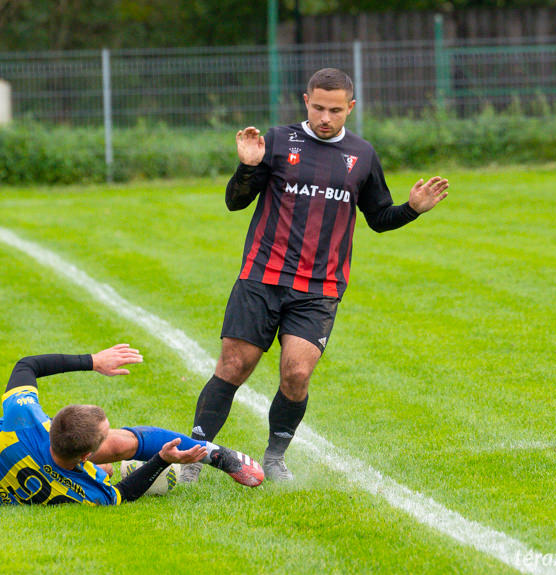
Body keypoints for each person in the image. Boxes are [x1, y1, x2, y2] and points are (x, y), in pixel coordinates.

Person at [181, 68, 449, 483]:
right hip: (262, 276)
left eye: (336, 110)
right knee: (235, 365)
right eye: (319, 107)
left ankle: (274, 457)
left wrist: (411, 209)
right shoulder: (277, 140)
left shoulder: (362, 156)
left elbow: (378, 218)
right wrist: (247, 167)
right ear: (306, 101)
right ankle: (194, 457)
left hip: (320, 288)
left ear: (351, 109)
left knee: (297, 373)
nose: (326, 117)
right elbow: (236, 202)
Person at [0, 344, 264, 507]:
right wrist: (162, 459)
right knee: (119, 447)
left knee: (107, 463)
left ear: (51, 424)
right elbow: (126, 492)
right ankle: (214, 453)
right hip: (36, 467)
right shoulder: (86, 491)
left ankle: (208, 455)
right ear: (84, 458)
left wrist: (93, 360)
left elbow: (26, 365)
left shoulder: (24, 419)